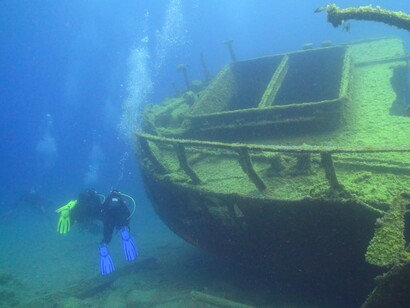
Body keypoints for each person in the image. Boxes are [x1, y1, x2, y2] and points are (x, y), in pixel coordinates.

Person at [56, 189, 138, 275]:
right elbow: (125, 213)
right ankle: (122, 230)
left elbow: (91, 212)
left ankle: (104, 243)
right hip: (106, 215)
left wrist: (71, 211)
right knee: (114, 219)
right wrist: (123, 224)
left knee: (102, 226)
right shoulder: (111, 200)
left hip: (83, 211)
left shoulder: (87, 203)